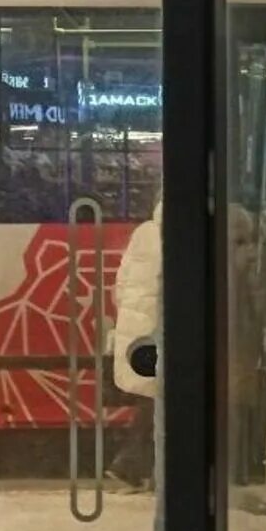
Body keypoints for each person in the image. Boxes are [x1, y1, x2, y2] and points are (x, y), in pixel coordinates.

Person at [106, 200, 162, 489]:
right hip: (158, 329)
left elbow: (121, 284)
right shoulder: (178, 232)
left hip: (135, 329)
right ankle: (130, 464)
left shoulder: (144, 233)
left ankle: (138, 467)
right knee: (158, 401)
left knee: (152, 400)